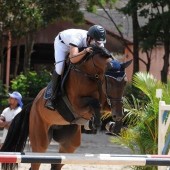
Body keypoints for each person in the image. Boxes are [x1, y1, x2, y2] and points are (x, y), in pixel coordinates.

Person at [45, 25, 107, 110]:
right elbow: (73, 59)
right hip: (62, 44)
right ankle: (51, 97)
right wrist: (85, 51)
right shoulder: (77, 38)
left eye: (99, 42)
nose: (98, 44)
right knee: (60, 69)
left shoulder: (99, 42)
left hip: (78, 48)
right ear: (89, 38)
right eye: (96, 42)